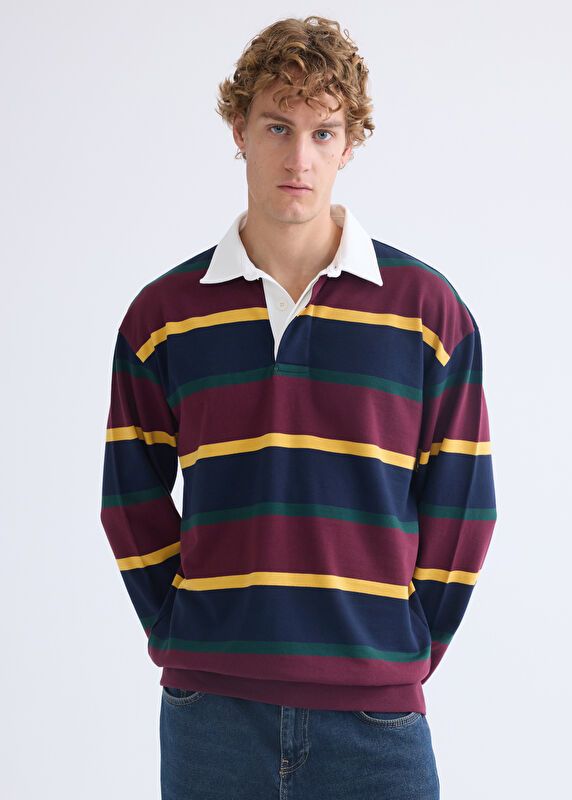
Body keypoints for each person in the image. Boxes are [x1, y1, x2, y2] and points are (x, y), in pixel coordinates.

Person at [100, 15, 497, 800]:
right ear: (239, 131)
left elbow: (464, 506)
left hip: (377, 725)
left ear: (349, 146)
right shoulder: (164, 317)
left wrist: (404, 650)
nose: (299, 157)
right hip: (211, 719)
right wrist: (181, 630)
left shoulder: (427, 313)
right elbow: (128, 498)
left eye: (323, 132)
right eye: (278, 126)